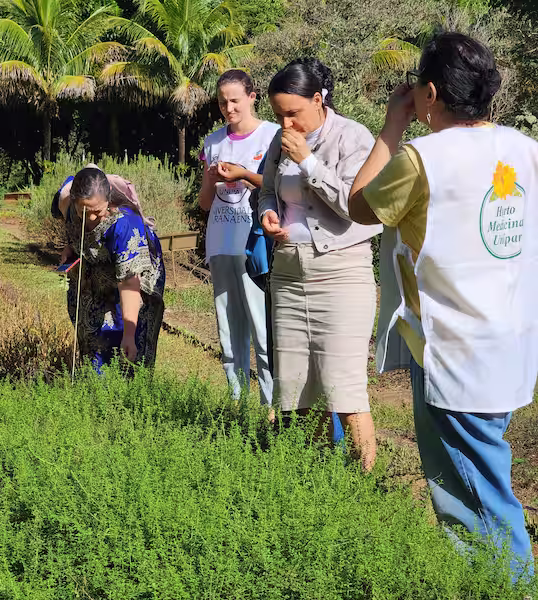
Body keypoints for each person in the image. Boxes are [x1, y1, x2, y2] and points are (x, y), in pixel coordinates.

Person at [348, 32, 535, 580]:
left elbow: (359, 206)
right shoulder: (525, 148)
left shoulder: (421, 158)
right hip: (512, 342)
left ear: (429, 93)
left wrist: (393, 125)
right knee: (487, 473)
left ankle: (509, 588)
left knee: (474, 499)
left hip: (453, 350)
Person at [259, 58, 381, 471]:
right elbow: (267, 189)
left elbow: (355, 207)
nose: (286, 123)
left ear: (318, 99)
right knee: (297, 391)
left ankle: (364, 486)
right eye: (278, 115)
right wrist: (268, 214)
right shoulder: (279, 142)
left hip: (341, 275)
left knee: (343, 389)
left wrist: (310, 161)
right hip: (289, 275)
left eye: (293, 113)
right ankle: (315, 476)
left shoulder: (354, 138)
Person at [198, 69, 278, 408]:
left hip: (256, 247)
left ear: (252, 97)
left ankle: (271, 406)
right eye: (222, 102)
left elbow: (282, 190)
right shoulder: (214, 142)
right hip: (220, 244)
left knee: (262, 328)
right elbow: (204, 202)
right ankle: (236, 402)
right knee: (228, 330)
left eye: (234, 101)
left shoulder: (271, 136)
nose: (228, 108)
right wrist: (210, 178)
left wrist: (246, 176)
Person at [65, 167, 165, 372]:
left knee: (128, 335)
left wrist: (129, 335)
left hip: (135, 274)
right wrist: (69, 246)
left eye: (97, 212)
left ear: (109, 201)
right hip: (97, 269)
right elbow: (66, 211)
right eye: (83, 212)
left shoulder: (125, 223)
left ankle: (130, 385)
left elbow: (129, 282)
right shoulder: (68, 205)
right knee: (92, 327)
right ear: (74, 201)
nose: (90, 219)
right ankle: (94, 379)